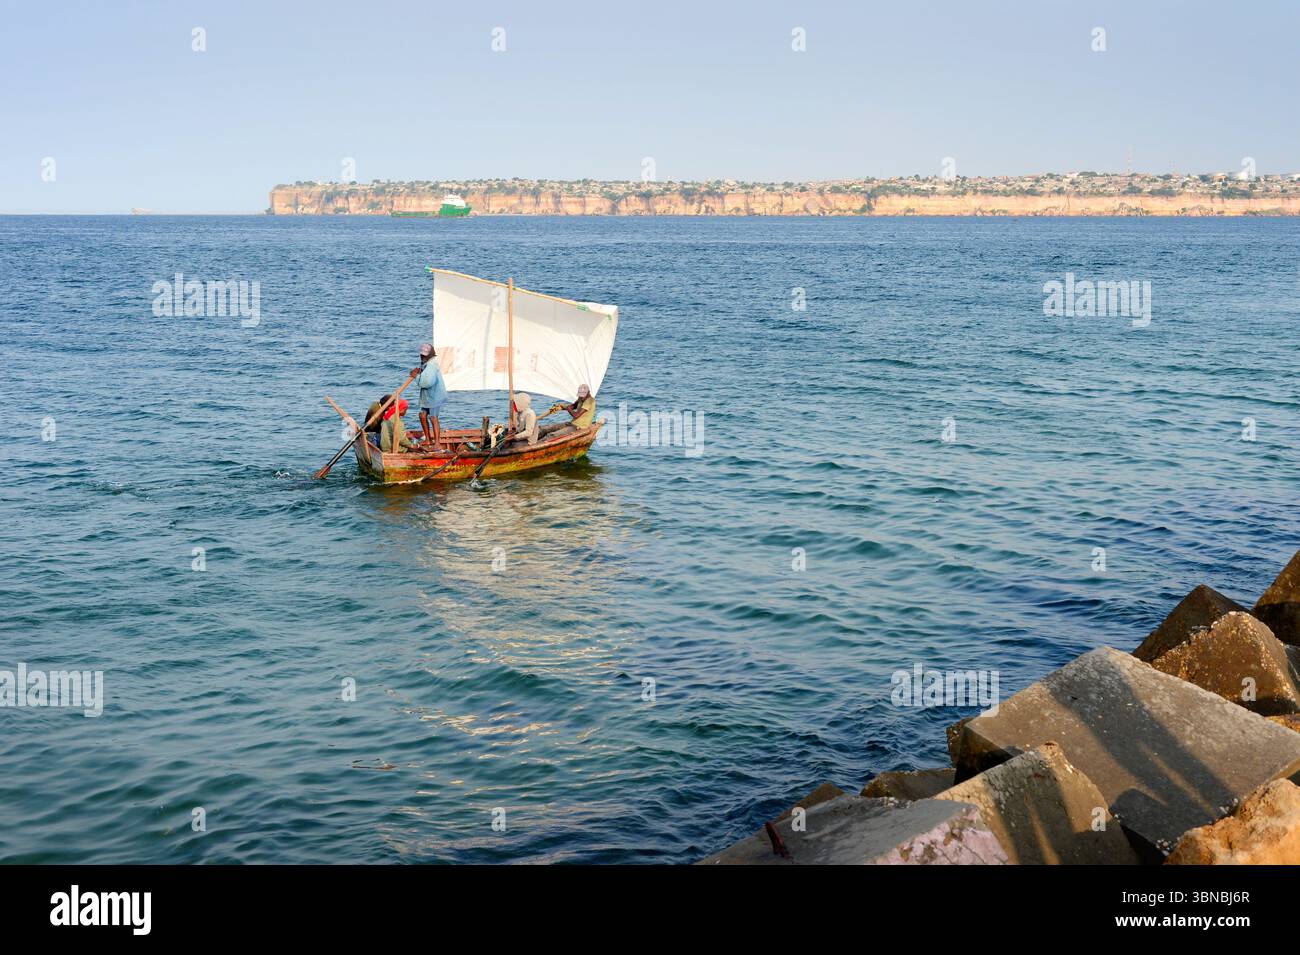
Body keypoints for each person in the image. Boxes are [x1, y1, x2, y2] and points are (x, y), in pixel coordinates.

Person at [410, 343, 448, 450]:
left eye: (425, 355)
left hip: (435, 396)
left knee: (433, 417)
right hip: (428, 397)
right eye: (422, 355)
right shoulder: (426, 363)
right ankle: (427, 439)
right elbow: (424, 376)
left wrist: (416, 376)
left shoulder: (432, 365)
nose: (423, 357)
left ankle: (437, 443)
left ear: (430, 355)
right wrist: (418, 373)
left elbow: (426, 383)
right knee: (422, 415)